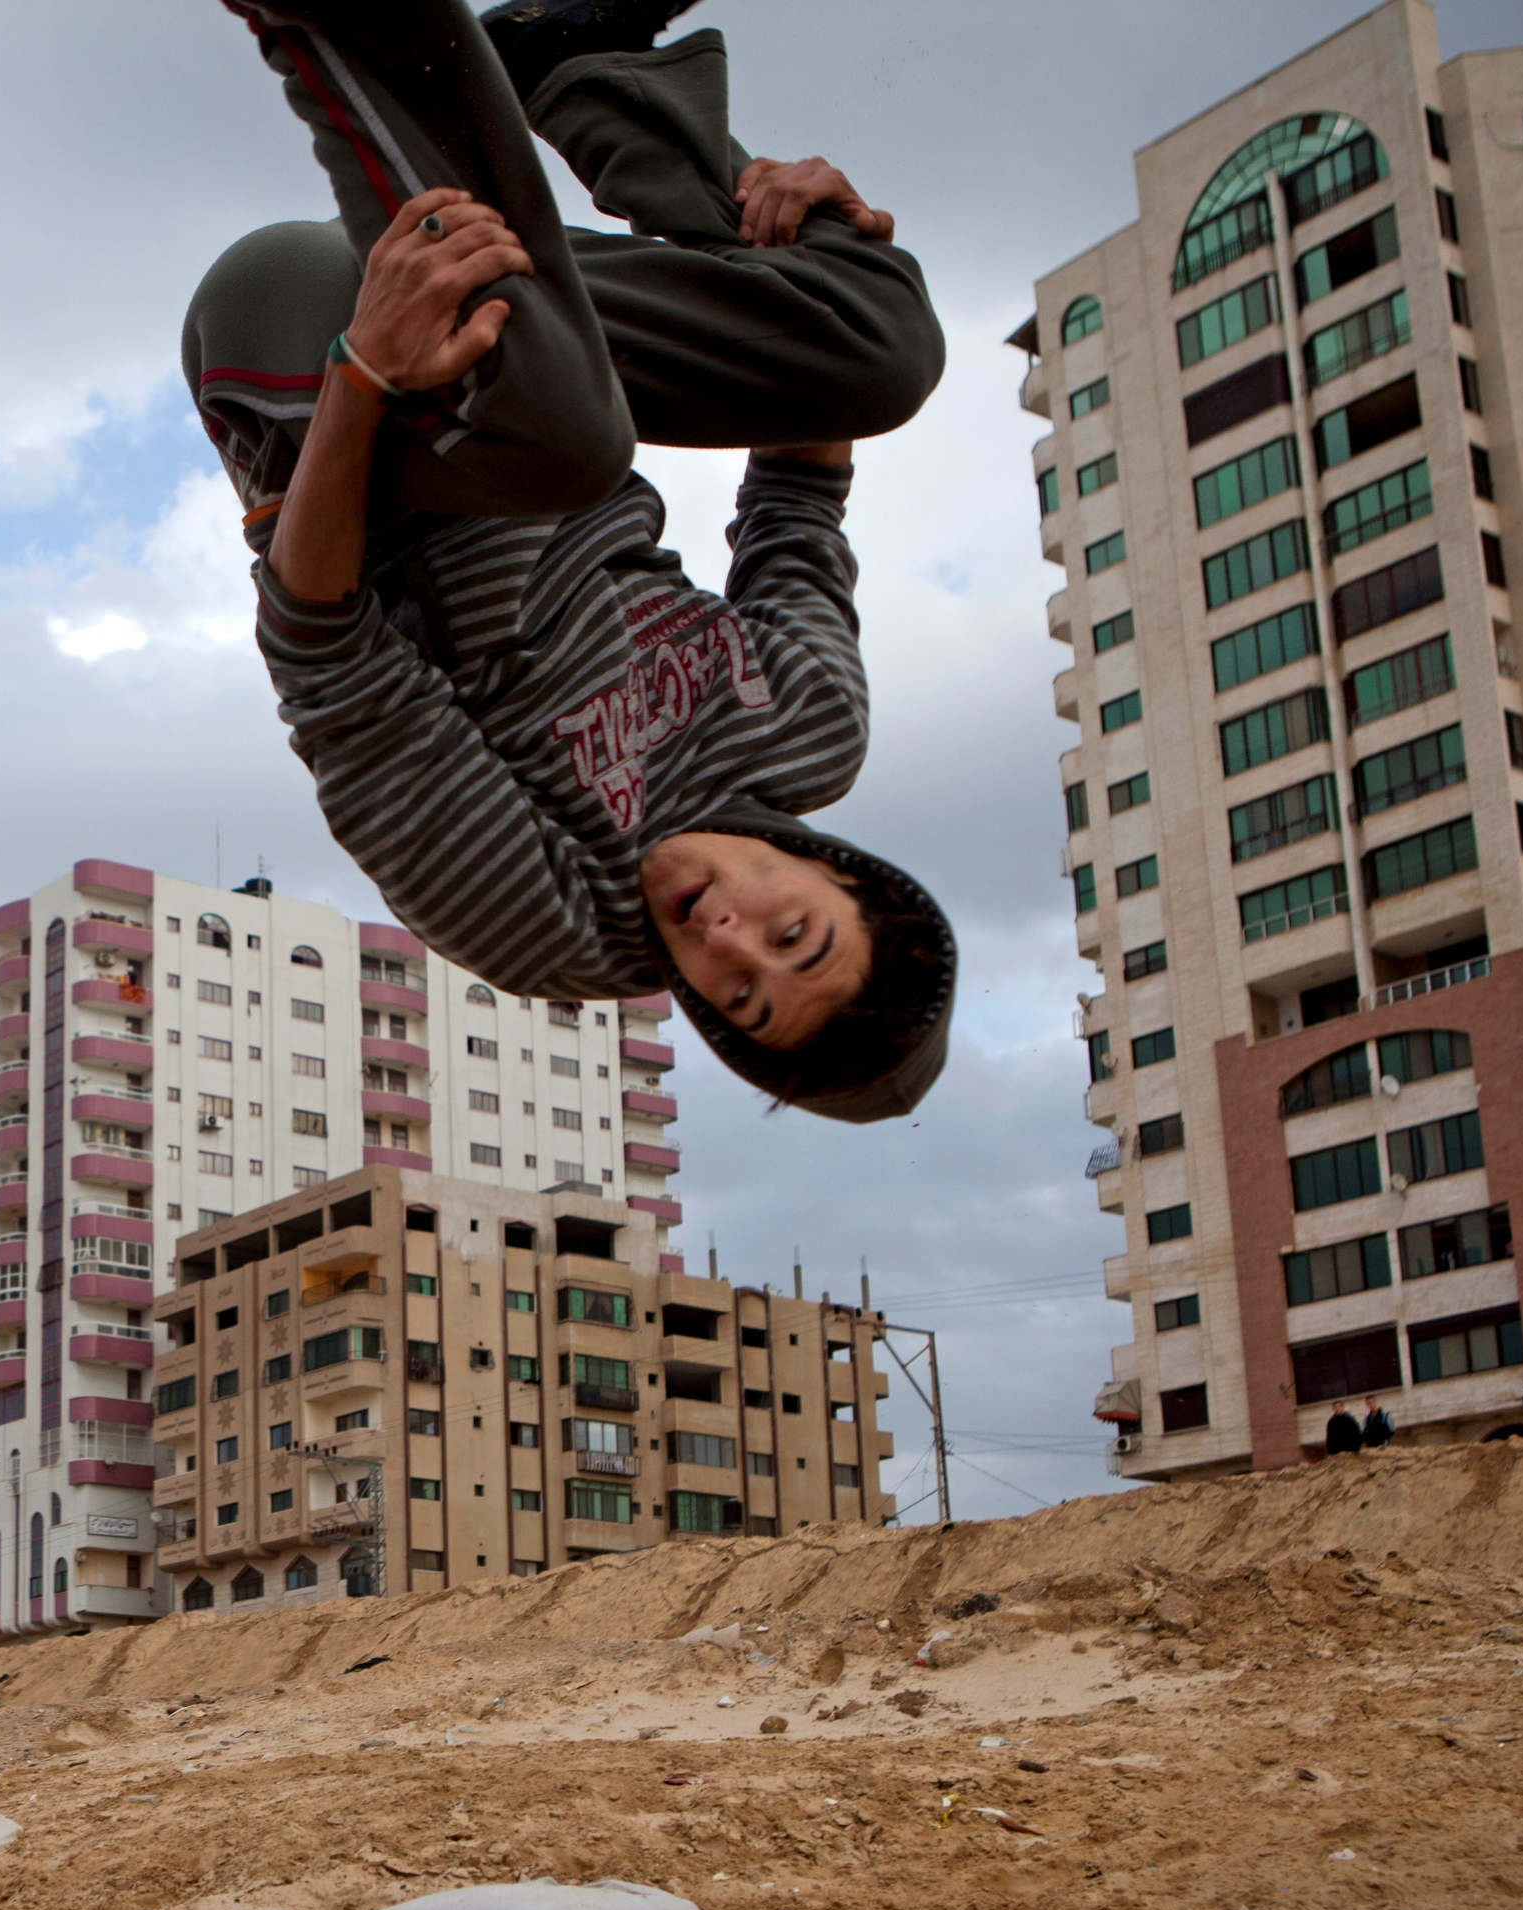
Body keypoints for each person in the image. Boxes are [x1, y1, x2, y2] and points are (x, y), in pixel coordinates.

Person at [181, 0, 956, 1119]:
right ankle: (582, 75)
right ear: (846, 874)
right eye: (791, 932)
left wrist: (367, 369)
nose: (726, 936)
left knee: (567, 443)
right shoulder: (813, 721)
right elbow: (800, 488)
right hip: (532, 336)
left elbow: (323, 653)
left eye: (738, 995)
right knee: (884, 358)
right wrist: (806, 229)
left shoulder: (554, 922)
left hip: (321, 392)